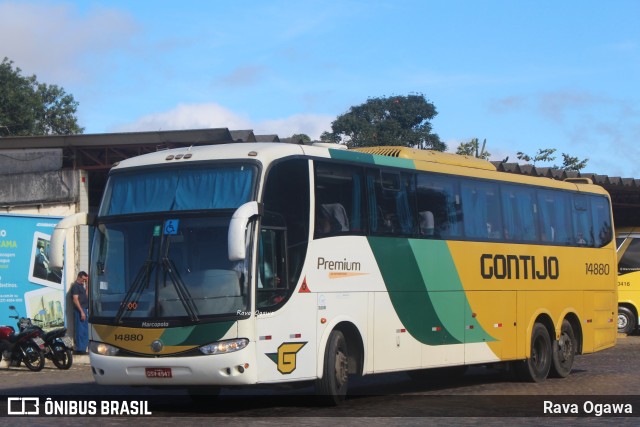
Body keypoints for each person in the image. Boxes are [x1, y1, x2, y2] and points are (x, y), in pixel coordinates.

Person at [71, 271, 89, 354]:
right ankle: (79, 348)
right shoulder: (75, 286)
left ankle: (83, 347)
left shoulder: (82, 286)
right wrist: (81, 311)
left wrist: (87, 284)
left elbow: (86, 295)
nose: (83, 281)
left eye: (85, 280)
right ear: (79, 277)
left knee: (85, 330)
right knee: (80, 330)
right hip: (80, 310)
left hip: (85, 309)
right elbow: (75, 299)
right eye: (83, 279)